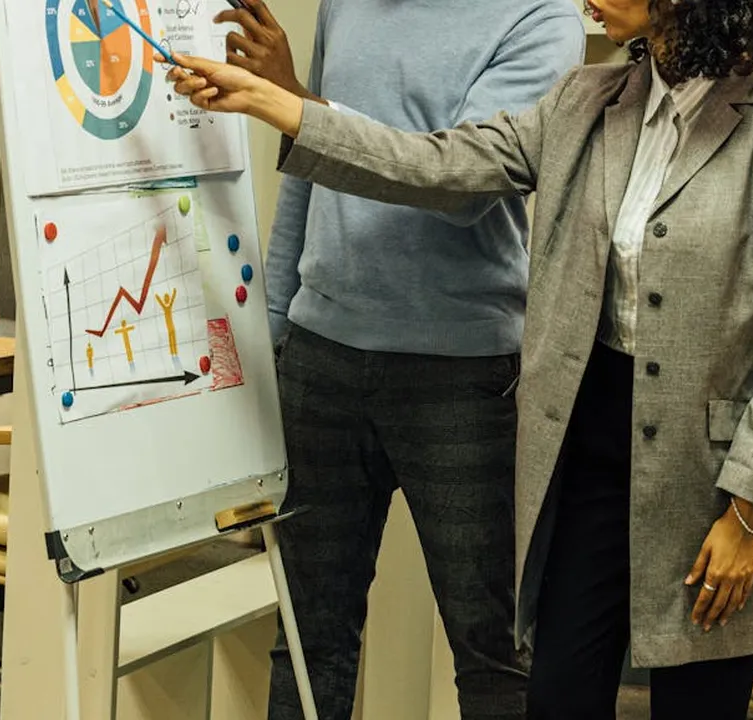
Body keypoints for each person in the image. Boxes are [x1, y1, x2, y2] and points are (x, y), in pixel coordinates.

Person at [167, 0, 753, 716]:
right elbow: (439, 164)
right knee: (554, 696)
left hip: (710, 484)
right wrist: (294, 110)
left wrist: (750, 511)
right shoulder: (588, 101)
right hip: (584, 461)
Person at [207, 1, 584, 718]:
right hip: (321, 360)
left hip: (464, 378)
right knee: (305, 634)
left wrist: (298, 107)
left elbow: (459, 188)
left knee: (492, 649)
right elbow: (305, 176)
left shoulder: (542, 18)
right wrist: (277, 331)